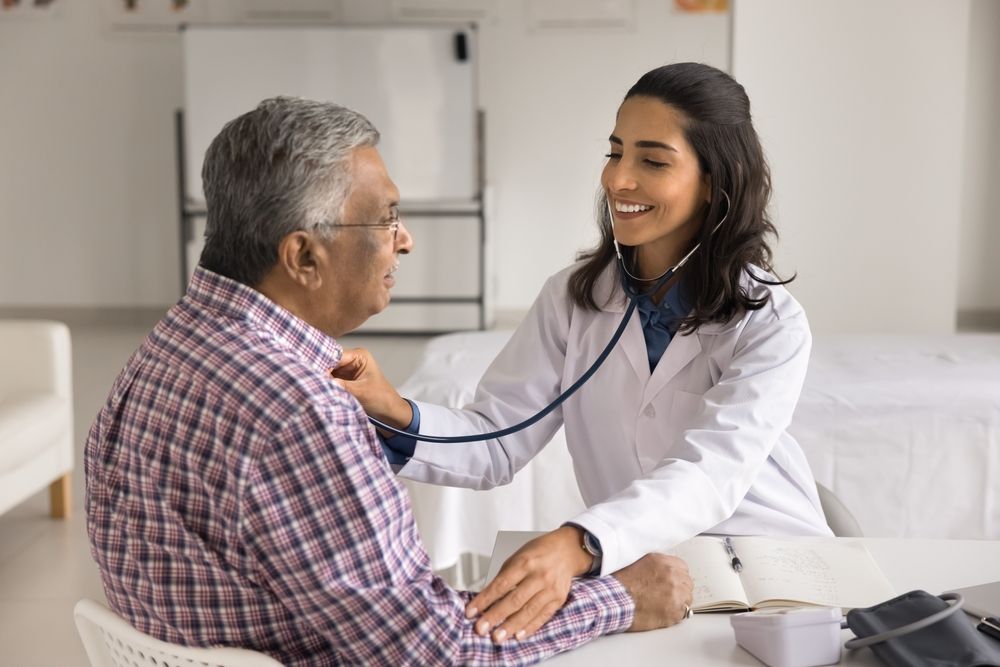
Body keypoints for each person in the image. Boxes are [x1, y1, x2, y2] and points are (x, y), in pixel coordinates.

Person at [84, 96, 693, 666]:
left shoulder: (167, 347)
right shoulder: (302, 410)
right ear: (302, 257)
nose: (404, 240)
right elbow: (431, 652)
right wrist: (621, 599)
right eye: (387, 219)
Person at [335, 62, 834, 644]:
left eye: (652, 160)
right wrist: (392, 408)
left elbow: (709, 475)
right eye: (615, 151)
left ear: (716, 182)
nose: (619, 179)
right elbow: (496, 439)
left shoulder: (770, 320)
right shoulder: (574, 298)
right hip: (645, 571)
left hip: (770, 571)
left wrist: (579, 542)